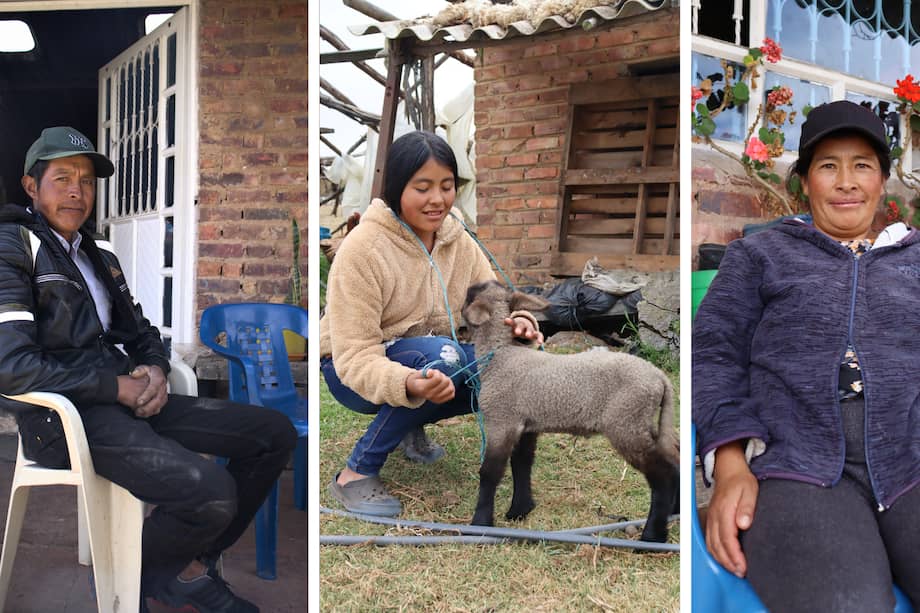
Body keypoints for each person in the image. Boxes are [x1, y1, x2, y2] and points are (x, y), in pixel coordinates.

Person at [0, 126, 297, 613]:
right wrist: (112, 386)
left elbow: (140, 332)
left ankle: (182, 566)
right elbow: (11, 367)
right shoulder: (13, 247)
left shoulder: (99, 254)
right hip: (63, 419)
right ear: (32, 188)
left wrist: (155, 369)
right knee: (211, 493)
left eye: (87, 181)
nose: (78, 190)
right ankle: (137, 577)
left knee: (272, 433)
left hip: (122, 400)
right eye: (62, 178)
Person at [693, 100, 920, 612]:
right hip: (797, 468)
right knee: (848, 603)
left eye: (862, 165)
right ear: (804, 182)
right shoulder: (759, 256)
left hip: (912, 462)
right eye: (827, 166)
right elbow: (714, 356)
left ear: (883, 180)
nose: (846, 182)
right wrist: (730, 463)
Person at [321, 131, 543, 517]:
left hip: (433, 360)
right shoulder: (363, 250)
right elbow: (354, 355)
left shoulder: (458, 240)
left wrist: (519, 324)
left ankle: (408, 423)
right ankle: (355, 474)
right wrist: (406, 382)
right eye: (422, 187)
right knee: (446, 357)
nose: (437, 199)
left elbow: (492, 306)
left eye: (446, 186)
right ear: (395, 188)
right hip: (350, 369)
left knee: (511, 367)